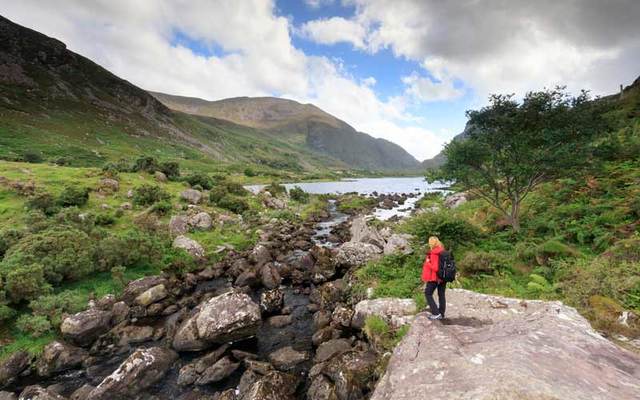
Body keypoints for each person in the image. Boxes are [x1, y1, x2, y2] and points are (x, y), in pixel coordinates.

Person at [421, 236, 446, 320]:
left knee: (427, 293)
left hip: (435, 277)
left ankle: (436, 313)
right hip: (443, 277)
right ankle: (441, 314)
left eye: (430, 242)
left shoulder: (434, 253)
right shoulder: (442, 251)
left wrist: (428, 262)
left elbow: (435, 268)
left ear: (431, 243)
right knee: (441, 294)